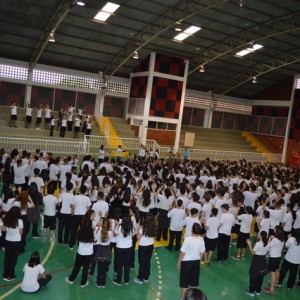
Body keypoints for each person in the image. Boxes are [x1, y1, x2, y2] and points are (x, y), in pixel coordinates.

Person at [65, 211, 94, 287]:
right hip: (89, 253)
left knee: (77, 266)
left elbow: (78, 240)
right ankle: (83, 282)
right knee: (86, 268)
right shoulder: (92, 233)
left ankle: (71, 279)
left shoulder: (80, 232)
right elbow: (95, 240)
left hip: (81, 252)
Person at [177, 223, 205, 300]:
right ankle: (193, 298)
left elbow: (182, 253)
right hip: (196, 262)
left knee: (184, 283)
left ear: (192, 229)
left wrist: (179, 262)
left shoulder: (188, 239)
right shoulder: (201, 239)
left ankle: (183, 298)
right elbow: (202, 252)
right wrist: (198, 260)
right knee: (194, 283)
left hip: (186, 263)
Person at [133, 213, 157, 284]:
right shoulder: (154, 226)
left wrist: (138, 230)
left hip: (143, 246)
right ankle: (146, 277)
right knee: (147, 261)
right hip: (150, 245)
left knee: (142, 262)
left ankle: (140, 278)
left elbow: (138, 238)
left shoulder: (143, 228)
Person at [2, 206, 23, 281]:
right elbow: (21, 233)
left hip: (8, 240)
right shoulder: (19, 221)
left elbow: (3, 229)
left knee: (7, 257)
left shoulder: (6, 220)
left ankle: (5, 274)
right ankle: (10, 275)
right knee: (13, 258)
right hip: (16, 241)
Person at [245, 231, 269, 297]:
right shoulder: (267, 243)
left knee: (253, 274)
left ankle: (251, 290)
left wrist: (249, 244)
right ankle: (258, 290)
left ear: (260, 236)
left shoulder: (258, 243)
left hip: (257, 260)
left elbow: (252, 252)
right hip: (263, 260)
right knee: (260, 275)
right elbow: (266, 252)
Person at [263, 225, 284, 294]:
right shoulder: (282, 239)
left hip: (273, 258)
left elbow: (268, 247)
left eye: (275, 229)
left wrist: (269, 238)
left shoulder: (275, 240)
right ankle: (276, 282)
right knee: (276, 270)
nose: (274, 230)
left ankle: (271, 290)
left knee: (272, 273)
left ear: (276, 231)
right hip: (278, 257)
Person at [113, 215, 133, 286]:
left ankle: (118, 281)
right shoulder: (131, 227)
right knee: (127, 264)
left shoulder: (119, 227)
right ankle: (126, 280)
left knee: (120, 265)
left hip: (120, 248)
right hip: (129, 248)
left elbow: (114, 235)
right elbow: (132, 235)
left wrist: (116, 225)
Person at [95, 217, 113, 288]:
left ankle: (99, 283)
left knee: (99, 267)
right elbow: (111, 230)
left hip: (100, 251)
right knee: (105, 269)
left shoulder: (99, 232)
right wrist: (110, 224)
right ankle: (103, 283)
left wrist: (99, 225)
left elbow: (96, 233)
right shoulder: (110, 233)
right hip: (107, 251)